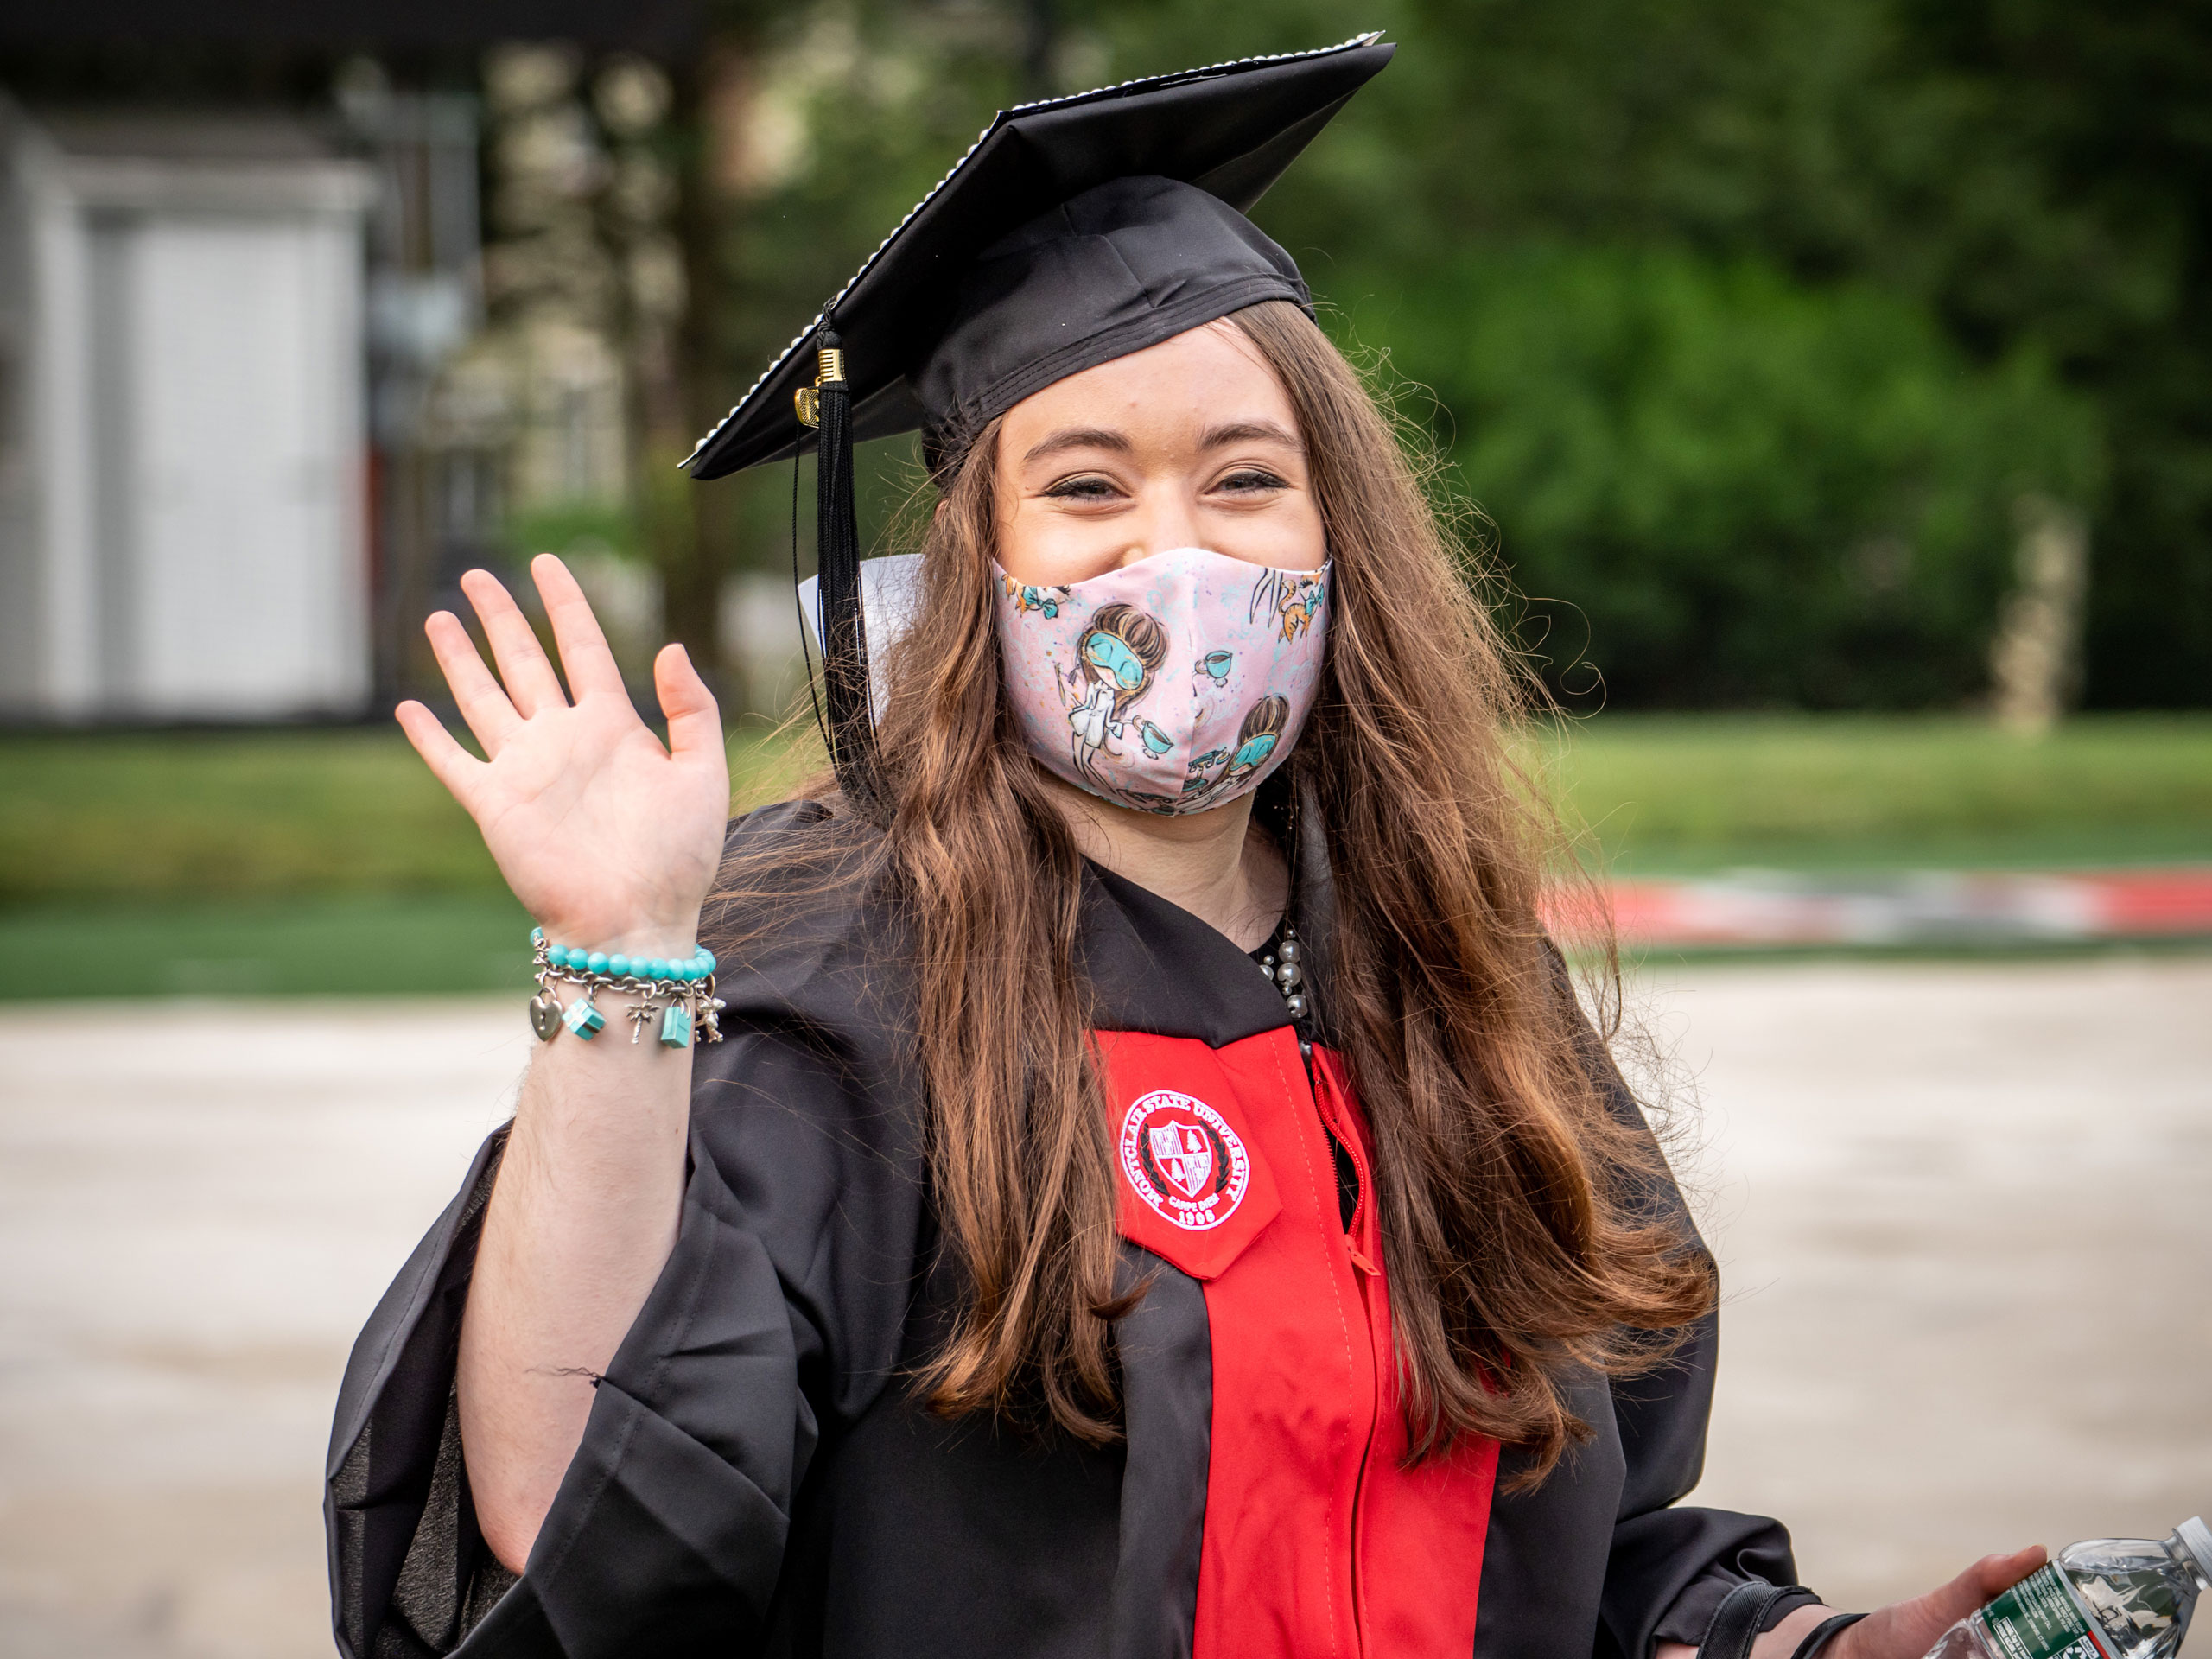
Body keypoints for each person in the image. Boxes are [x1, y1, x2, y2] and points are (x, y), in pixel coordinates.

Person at [325, 37, 2044, 1659]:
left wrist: (1810, 1640)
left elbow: (1581, 1543)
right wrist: (622, 951)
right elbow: (576, 1525)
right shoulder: (840, 979)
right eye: (1084, 490)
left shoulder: (1447, 969)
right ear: (977, 573)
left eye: (1242, 483)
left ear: (1332, 539)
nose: (1177, 556)